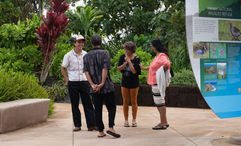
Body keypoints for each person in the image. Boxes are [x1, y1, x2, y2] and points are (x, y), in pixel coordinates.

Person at [83, 34, 120, 138]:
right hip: (106, 86)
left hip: (94, 88)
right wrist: (102, 83)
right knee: (111, 107)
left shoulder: (86, 56)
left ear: (91, 43)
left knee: (97, 109)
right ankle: (111, 127)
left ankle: (100, 131)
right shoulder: (105, 53)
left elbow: (86, 71)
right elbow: (105, 68)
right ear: (101, 42)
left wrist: (92, 84)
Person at [61, 34, 97, 132]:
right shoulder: (68, 55)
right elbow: (63, 68)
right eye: (79, 42)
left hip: (84, 82)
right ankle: (77, 125)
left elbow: (89, 68)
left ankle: (92, 125)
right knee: (75, 104)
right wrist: (67, 79)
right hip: (73, 83)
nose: (81, 44)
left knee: (88, 104)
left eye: (82, 42)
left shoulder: (86, 54)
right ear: (74, 43)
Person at [140, 38, 170, 130]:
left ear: (155, 46)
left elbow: (167, 64)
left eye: (152, 45)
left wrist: (161, 74)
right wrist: (144, 68)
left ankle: (163, 123)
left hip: (157, 83)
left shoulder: (161, 56)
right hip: (155, 83)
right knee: (160, 102)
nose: (151, 47)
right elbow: (155, 67)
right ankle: (164, 121)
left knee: (160, 103)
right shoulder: (157, 56)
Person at [117, 41, 141, 127]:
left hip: (134, 83)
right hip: (125, 83)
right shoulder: (122, 57)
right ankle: (126, 120)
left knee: (134, 101)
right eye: (125, 49)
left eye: (126, 49)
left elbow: (135, 71)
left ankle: (134, 120)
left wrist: (130, 62)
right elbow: (119, 69)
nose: (125, 50)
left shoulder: (137, 58)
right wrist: (125, 63)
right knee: (125, 102)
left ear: (131, 50)